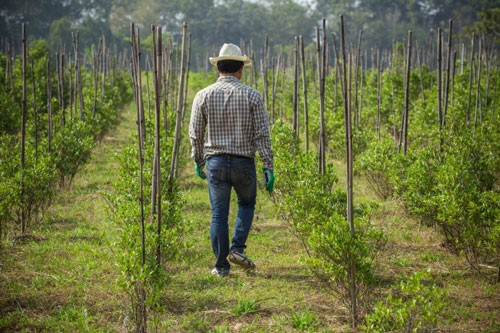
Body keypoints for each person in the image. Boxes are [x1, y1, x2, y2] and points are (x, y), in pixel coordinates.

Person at [189, 43, 275, 277]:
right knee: (246, 205)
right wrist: (268, 166)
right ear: (240, 70)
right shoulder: (252, 95)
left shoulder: (203, 95)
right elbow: (262, 134)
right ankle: (237, 249)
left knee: (218, 214)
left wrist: (198, 161)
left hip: (215, 162)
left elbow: (195, 133)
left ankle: (221, 266)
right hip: (243, 162)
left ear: (218, 68)